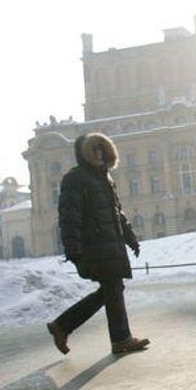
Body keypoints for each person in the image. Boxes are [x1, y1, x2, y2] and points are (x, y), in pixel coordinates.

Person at [46, 132, 150, 356]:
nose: (99, 153)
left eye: (102, 148)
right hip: (94, 247)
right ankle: (121, 339)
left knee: (112, 289)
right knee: (113, 288)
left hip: (110, 245)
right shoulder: (75, 178)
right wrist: (73, 248)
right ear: (84, 154)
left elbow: (116, 213)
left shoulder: (105, 178)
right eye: (94, 149)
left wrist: (130, 238)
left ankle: (62, 326)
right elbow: (68, 216)